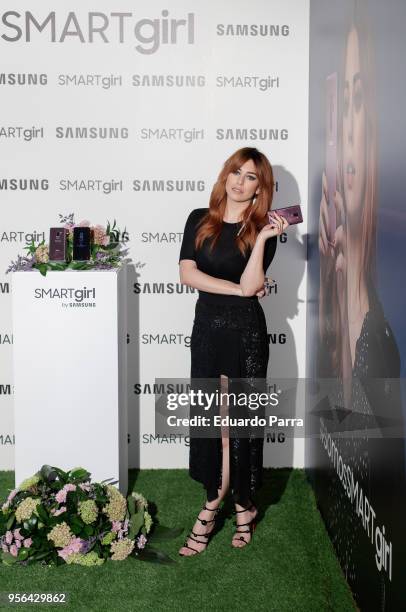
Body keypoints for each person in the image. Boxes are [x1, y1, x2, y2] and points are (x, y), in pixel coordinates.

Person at [178, 147, 288, 556]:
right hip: (207, 330)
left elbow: (254, 281)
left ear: (261, 188)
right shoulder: (198, 219)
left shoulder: (265, 228)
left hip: (245, 334)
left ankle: (222, 507)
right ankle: (238, 504)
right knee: (214, 425)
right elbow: (187, 273)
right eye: (236, 172)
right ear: (226, 175)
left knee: (236, 427)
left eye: (251, 177)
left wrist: (260, 240)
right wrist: (238, 290)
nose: (240, 181)